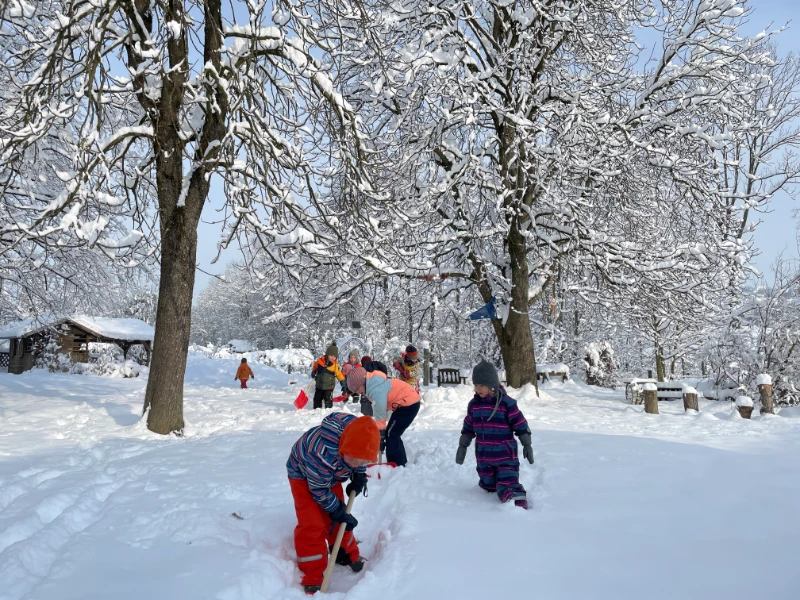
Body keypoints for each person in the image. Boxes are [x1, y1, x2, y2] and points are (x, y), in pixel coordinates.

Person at [287, 414, 380, 594]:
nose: (357, 464)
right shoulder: (320, 453)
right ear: (344, 447)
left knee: (339, 519)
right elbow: (319, 490)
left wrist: (359, 474)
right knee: (312, 523)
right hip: (303, 475)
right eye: (354, 461)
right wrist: (336, 509)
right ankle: (313, 573)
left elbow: (362, 454)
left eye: (363, 462)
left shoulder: (360, 434)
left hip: (329, 474)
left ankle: (344, 553)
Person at [455, 360, 534, 509]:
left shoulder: (506, 403)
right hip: (483, 456)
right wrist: (462, 445)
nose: (478, 389)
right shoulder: (474, 405)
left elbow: (520, 423)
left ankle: (517, 504)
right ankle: (492, 485)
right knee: (488, 485)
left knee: (507, 483)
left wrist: (527, 443)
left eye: (482, 385)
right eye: (476, 385)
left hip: (505, 455)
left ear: (491, 384)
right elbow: (468, 426)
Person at [346, 366, 420, 467]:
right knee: (392, 434)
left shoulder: (375, 390)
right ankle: (399, 462)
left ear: (363, 381)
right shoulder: (373, 384)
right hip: (405, 403)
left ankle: (397, 465)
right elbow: (380, 408)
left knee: (391, 434)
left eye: (357, 388)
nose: (357, 392)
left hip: (409, 404)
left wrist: (380, 434)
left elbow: (380, 413)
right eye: (355, 390)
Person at [311, 344, 345, 409]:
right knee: (317, 399)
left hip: (329, 387)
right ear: (327, 355)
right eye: (331, 355)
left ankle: (328, 410)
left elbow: (339, 375)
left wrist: (343, 383)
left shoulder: (335, 365)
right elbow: (315, 367)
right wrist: (313, 372)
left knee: (328, 400)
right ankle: (316, 410)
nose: (333, 358)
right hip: (319, 386)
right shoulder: (319, 361)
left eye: (334, 356)